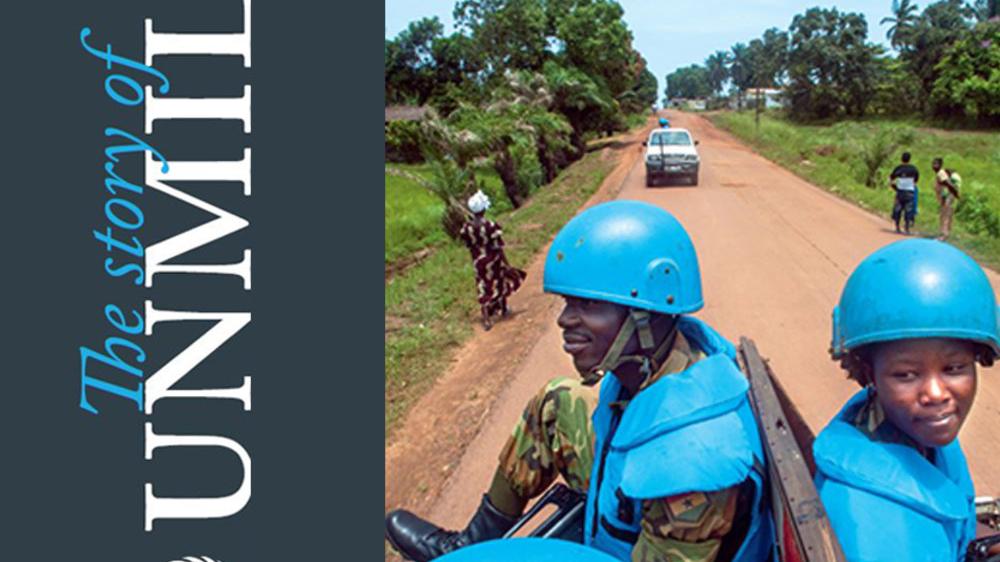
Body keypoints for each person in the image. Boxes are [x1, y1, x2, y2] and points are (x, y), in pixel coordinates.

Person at [386, 201, 774, 562]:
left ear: (646, 315)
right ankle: (469, 544)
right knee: (556, 402)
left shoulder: (688, 470)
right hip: (630, 472)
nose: (565, 320)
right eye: (568, 303)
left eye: (588, 304)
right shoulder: (668, 355)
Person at [815, 239, 1000, 561]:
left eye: (954, 368)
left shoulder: (911, 430)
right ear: (870, 374)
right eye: (906, 375)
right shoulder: (876, 529)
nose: (936, 394)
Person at [458, 190, 526, 331]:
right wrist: (506, 263)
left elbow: (468, 245)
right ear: (483, 209)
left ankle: (486, 318)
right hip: (493, 259)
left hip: (478, 261)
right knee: (499, 281)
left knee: (483, 285)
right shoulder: (490, 226)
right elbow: (498, 247)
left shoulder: (467, 227)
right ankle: (503, 308)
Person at [889, 152, 920, 234]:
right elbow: (916, 180)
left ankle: (897, 227)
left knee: (898, 209)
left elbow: (891, 179)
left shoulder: (898, 168)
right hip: (910, 192)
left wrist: (895, 187)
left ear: (901, 159)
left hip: (900, 191)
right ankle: (907, 228)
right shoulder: (913, 169)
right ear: (909, 159)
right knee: (908, 210)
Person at [932, 157, 961, 240]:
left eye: (936, 164)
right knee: (946, 215)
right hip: (946, 197)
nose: (934, 166)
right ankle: (946, 233)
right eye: (933, 164)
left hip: (947, 198)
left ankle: (943, 235)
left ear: (940, 165)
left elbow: (949, 185)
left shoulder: (941, 174)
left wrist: (956, 195)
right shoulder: (940, 173)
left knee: (945, 215)